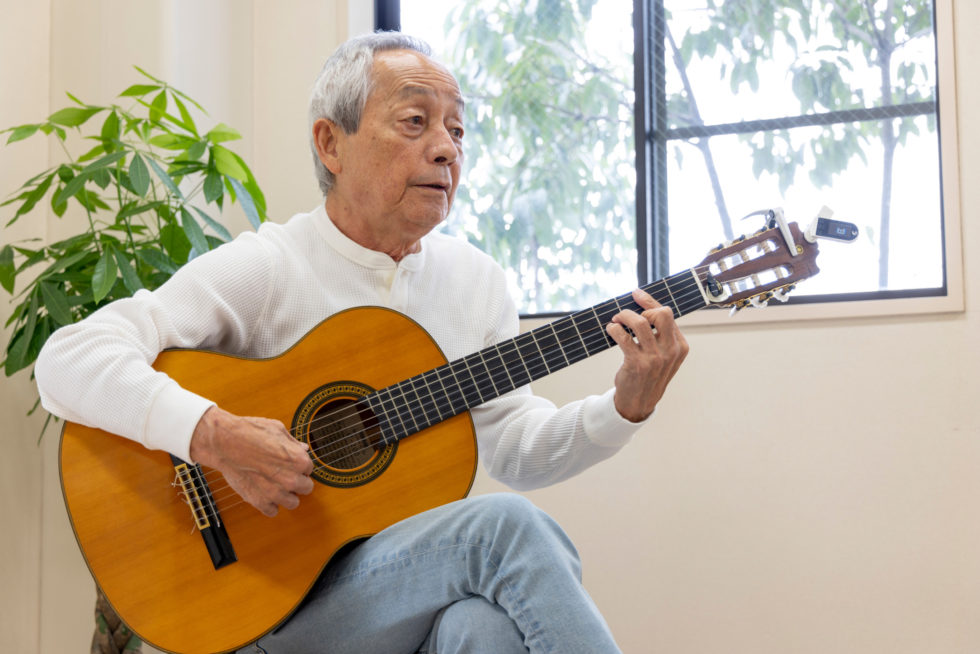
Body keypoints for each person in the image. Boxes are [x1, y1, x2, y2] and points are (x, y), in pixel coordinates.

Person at [35, 32, 689, 654]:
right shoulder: (269, 267)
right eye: (415, 122)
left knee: (480, 627)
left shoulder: (476, 282)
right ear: (330, 143)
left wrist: (622, 407)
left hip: (393, 598)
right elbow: (67, 359)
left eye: (457, 130)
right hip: (262, 603)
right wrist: (214, 435)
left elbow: (515, 448)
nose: (446, 149)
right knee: (507, 530)